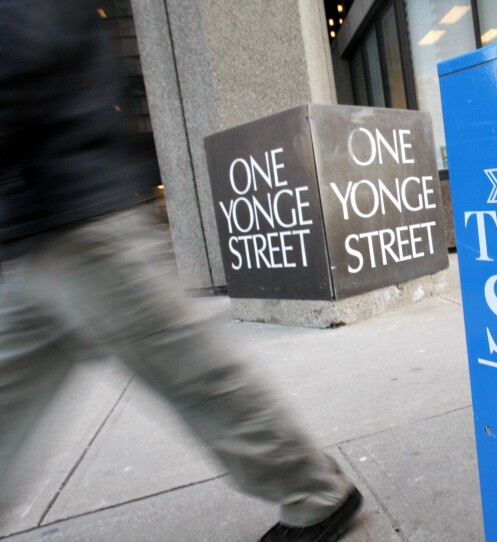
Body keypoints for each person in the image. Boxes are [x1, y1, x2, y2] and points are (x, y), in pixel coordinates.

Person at [0, 1, 361, 540]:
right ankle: (311, 487)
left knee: (191, 373)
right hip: (32, 227)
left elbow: (24, 57)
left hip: (75, 212)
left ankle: (316, 493)